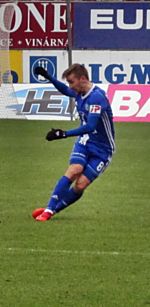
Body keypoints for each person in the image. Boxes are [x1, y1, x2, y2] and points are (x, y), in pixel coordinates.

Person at [32, 64, 115, 221]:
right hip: (84, 142)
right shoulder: (80, 92)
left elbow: (90, 126)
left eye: (72, 82)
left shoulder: (97, 97)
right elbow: (65, 90)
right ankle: (48, 210)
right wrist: (49, 77)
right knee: (73, 170)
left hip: (103, 149)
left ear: (82, 79)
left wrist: (64, 134)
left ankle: (53, 209)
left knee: (81, 185)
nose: (71, 86)